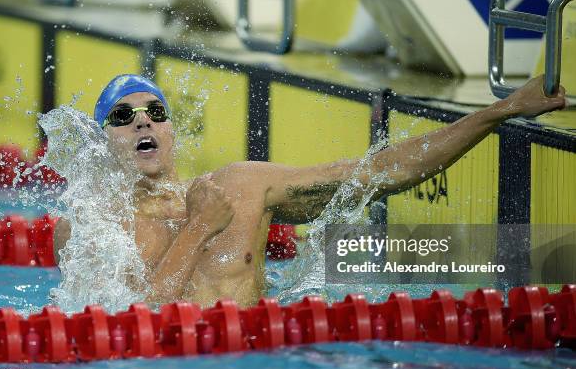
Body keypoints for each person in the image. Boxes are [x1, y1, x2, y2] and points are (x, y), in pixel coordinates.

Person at [53, 73, 566, 307]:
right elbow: (135, 322)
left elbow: (380, 173)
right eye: (124, 117)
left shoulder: (241, 187)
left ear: (170, 130)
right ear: (105, 139)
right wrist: (197, 227)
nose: (144, 123)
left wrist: (499, 112)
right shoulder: (89, 225)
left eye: (156, 113)